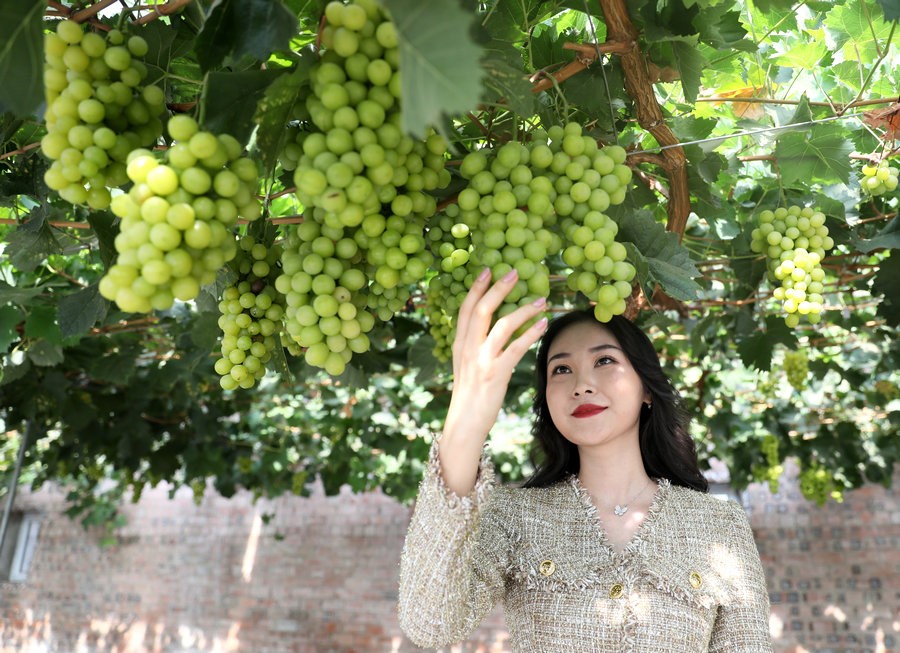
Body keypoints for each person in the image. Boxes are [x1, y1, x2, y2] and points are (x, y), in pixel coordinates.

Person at [398, 268, 773, 652]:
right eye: (561, 369)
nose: (582, 385)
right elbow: (430, 624)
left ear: (646, 388)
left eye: (604, 361)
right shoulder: (514, 516)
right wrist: (466, 425)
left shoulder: (720, 525)